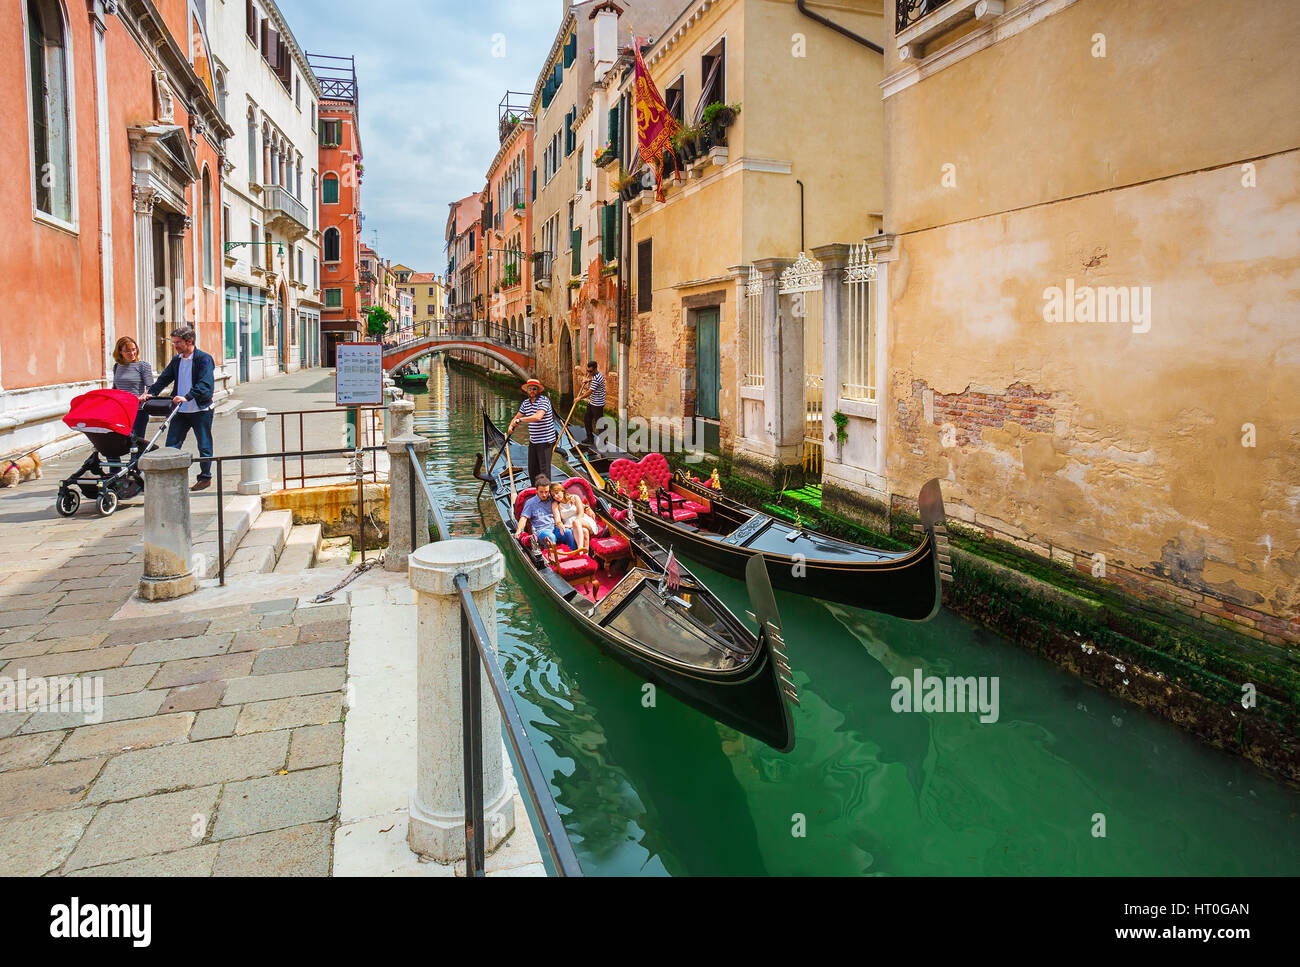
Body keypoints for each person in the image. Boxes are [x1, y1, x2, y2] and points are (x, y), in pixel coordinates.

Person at [142, 327, 216, 491]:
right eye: (173, 342)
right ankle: (170, 477)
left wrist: (187, 396)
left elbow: (205, 384)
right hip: (180, 411)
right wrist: (151, 393)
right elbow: (164, 378)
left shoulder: (204, 359)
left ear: (189, 341)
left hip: (200, 409)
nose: (175, 345)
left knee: (204, 445)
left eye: (178, 342)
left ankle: (205, 478)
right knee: (171, 445)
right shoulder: (177, 360)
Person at [508, 379, 558, 481]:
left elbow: (537, 417)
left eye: (534, 389)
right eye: (529, 389)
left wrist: (520, 420)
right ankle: (534, 492)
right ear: (527, 390)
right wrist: (511, 426)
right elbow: (517, 416)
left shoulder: (544, 400)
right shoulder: (526, 403)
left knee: (544, 471)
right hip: (534, 441)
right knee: (532, 470)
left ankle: (546, 494)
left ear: (538, 390)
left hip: (545, 441)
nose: (532, 391)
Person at [514, 474, 575, 558]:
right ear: (536, 491)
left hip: (555, 528)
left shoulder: (552, 498)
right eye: (541, 492)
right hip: (541, 531)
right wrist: (519, 530)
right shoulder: (530, 503)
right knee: (550, 537)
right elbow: (524, 518)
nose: (544, 495)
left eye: (546, 492)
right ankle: (552, 561)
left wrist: (586, 508)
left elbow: (567, 499)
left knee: (568, 532)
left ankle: (574, 555)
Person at [111, 336, 154, 445]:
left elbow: (151, 387)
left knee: (136, 444)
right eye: (127, 351)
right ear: (120, 352)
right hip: (121, 411)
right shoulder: (117, 366)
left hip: (138, 410)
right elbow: (115, 388)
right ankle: (115, 461)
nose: (132, 353)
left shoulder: (143, 366)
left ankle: (136, 462)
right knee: (116, 443)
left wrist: (145, 395)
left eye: (134, 349)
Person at [577, 360, 606, 449]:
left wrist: (579, 398)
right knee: (587, 419)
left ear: (595, 369)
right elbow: (594, 379)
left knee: (599, 423)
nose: (589, 373)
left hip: (597, 404)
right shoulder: (597, 375)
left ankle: (603, 441)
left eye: (590, 371)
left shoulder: (597, 378)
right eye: (588, 371)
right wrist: (588, 380)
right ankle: (590, 438)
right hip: (592, 402)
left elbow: (590, 391)